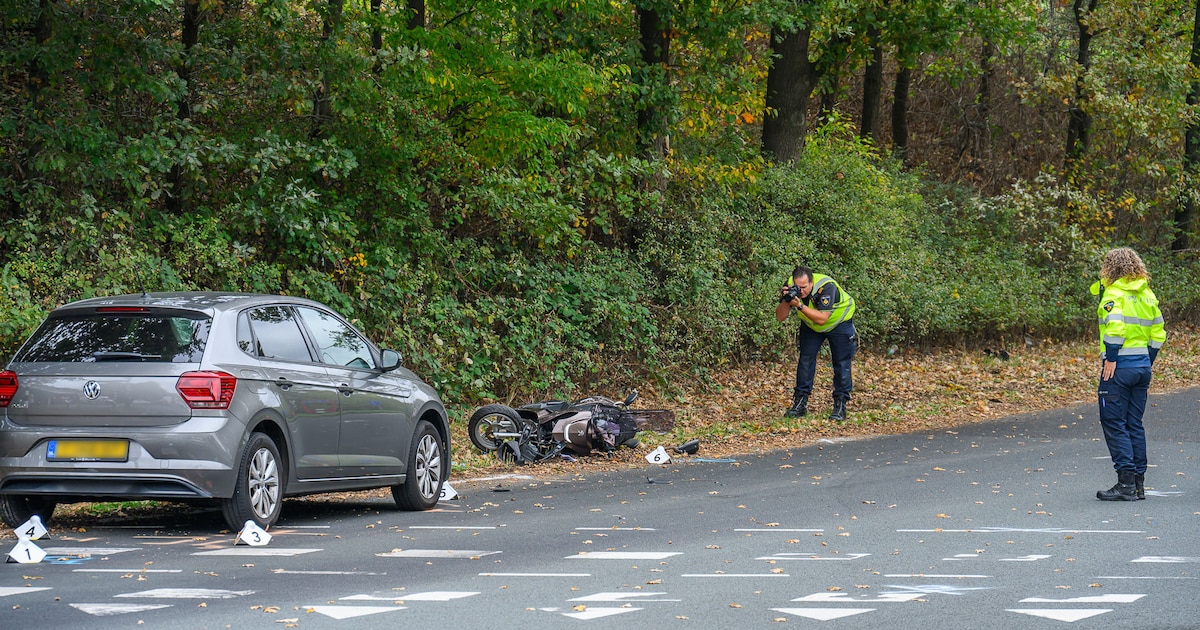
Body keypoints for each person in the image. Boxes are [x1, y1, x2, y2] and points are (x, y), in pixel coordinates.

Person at [1090, 247, 1166, 501]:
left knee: (1114, 422)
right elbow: (1158, 334)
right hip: (1142, 367)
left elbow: (1116, 328)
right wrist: (1146, 360)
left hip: (1119, 367)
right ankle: (1138, 484)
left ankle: (1125, 484)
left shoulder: (1114, 293)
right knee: (1134, 423)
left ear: (1110, 268)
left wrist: (1111, 358)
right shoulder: (1148, 295)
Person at [776, 266, 857, 421]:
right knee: (805, 360)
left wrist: (799, 305)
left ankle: (840, 405)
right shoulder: (791, 286)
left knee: (841, 363)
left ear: (811, 282)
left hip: (839, 322)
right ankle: (800, 403)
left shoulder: (826, 287)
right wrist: (786, 301)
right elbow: (780, 317)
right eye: (797, 287)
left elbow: (822, 318)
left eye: (804, 288)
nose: (800, 291)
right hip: (811, 325)